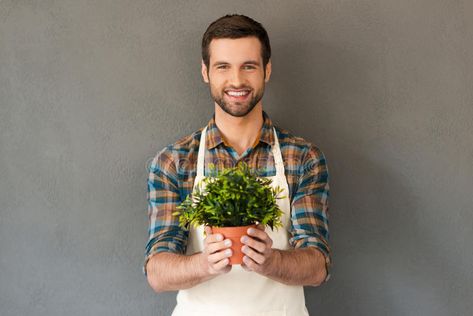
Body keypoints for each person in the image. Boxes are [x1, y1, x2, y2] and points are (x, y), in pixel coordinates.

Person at [144, 14, 331, 316]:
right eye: (223, 67)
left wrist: (270, 261)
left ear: (266, 70)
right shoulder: (174, 162)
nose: (237, 81)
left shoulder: (302, 158)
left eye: (249, 66)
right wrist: (205, 263)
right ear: (206, 72)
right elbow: (157, 272)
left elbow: (317, 265)